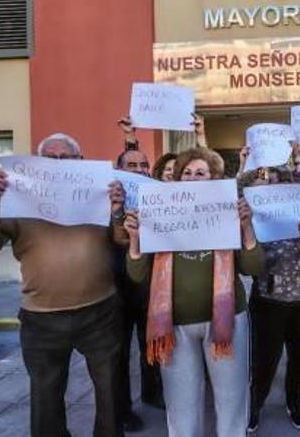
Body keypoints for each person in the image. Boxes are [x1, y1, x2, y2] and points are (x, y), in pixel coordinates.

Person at [0, 133, 125, 437]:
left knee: (110, 393)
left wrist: (117, 211)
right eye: (51, 159)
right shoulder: (16, 201)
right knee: (46, 397)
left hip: (100, 312)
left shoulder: (98, 194)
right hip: (42, 318)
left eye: (67, 159)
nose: (59, 165)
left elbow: (122, 241)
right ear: (38, 164)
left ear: (80, 162)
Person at [122, 147, 263, 437]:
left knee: (231, 400)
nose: (192, 177)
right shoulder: (158, 213)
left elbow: (253, 267)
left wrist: (247, 228)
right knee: (181, 406)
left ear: (214, 178)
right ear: (178, 178)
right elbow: (137, 274)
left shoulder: (229, 211)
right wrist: (135, 240)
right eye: (187, 172)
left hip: (227, 324)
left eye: (201, 172)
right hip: (174, 327)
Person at [238, 166, 300, 433]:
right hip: (268, 298)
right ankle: (254, 405)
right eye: (267, 184)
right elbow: (244, 263)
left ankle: (294, 401)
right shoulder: (251, 215)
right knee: (264, 358)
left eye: (278, 182)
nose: (273, 187)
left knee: (299, 354)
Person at [113, 140, 163, 429]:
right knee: (118, 353)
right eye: (131, 166)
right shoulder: (108, 199)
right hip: (116, 286)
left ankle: (152, 392)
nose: (140, 170)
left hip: (147, 283)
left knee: (150, 343)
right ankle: (122, 409)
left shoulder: (157, 196)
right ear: (118, 170)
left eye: (144, 165)